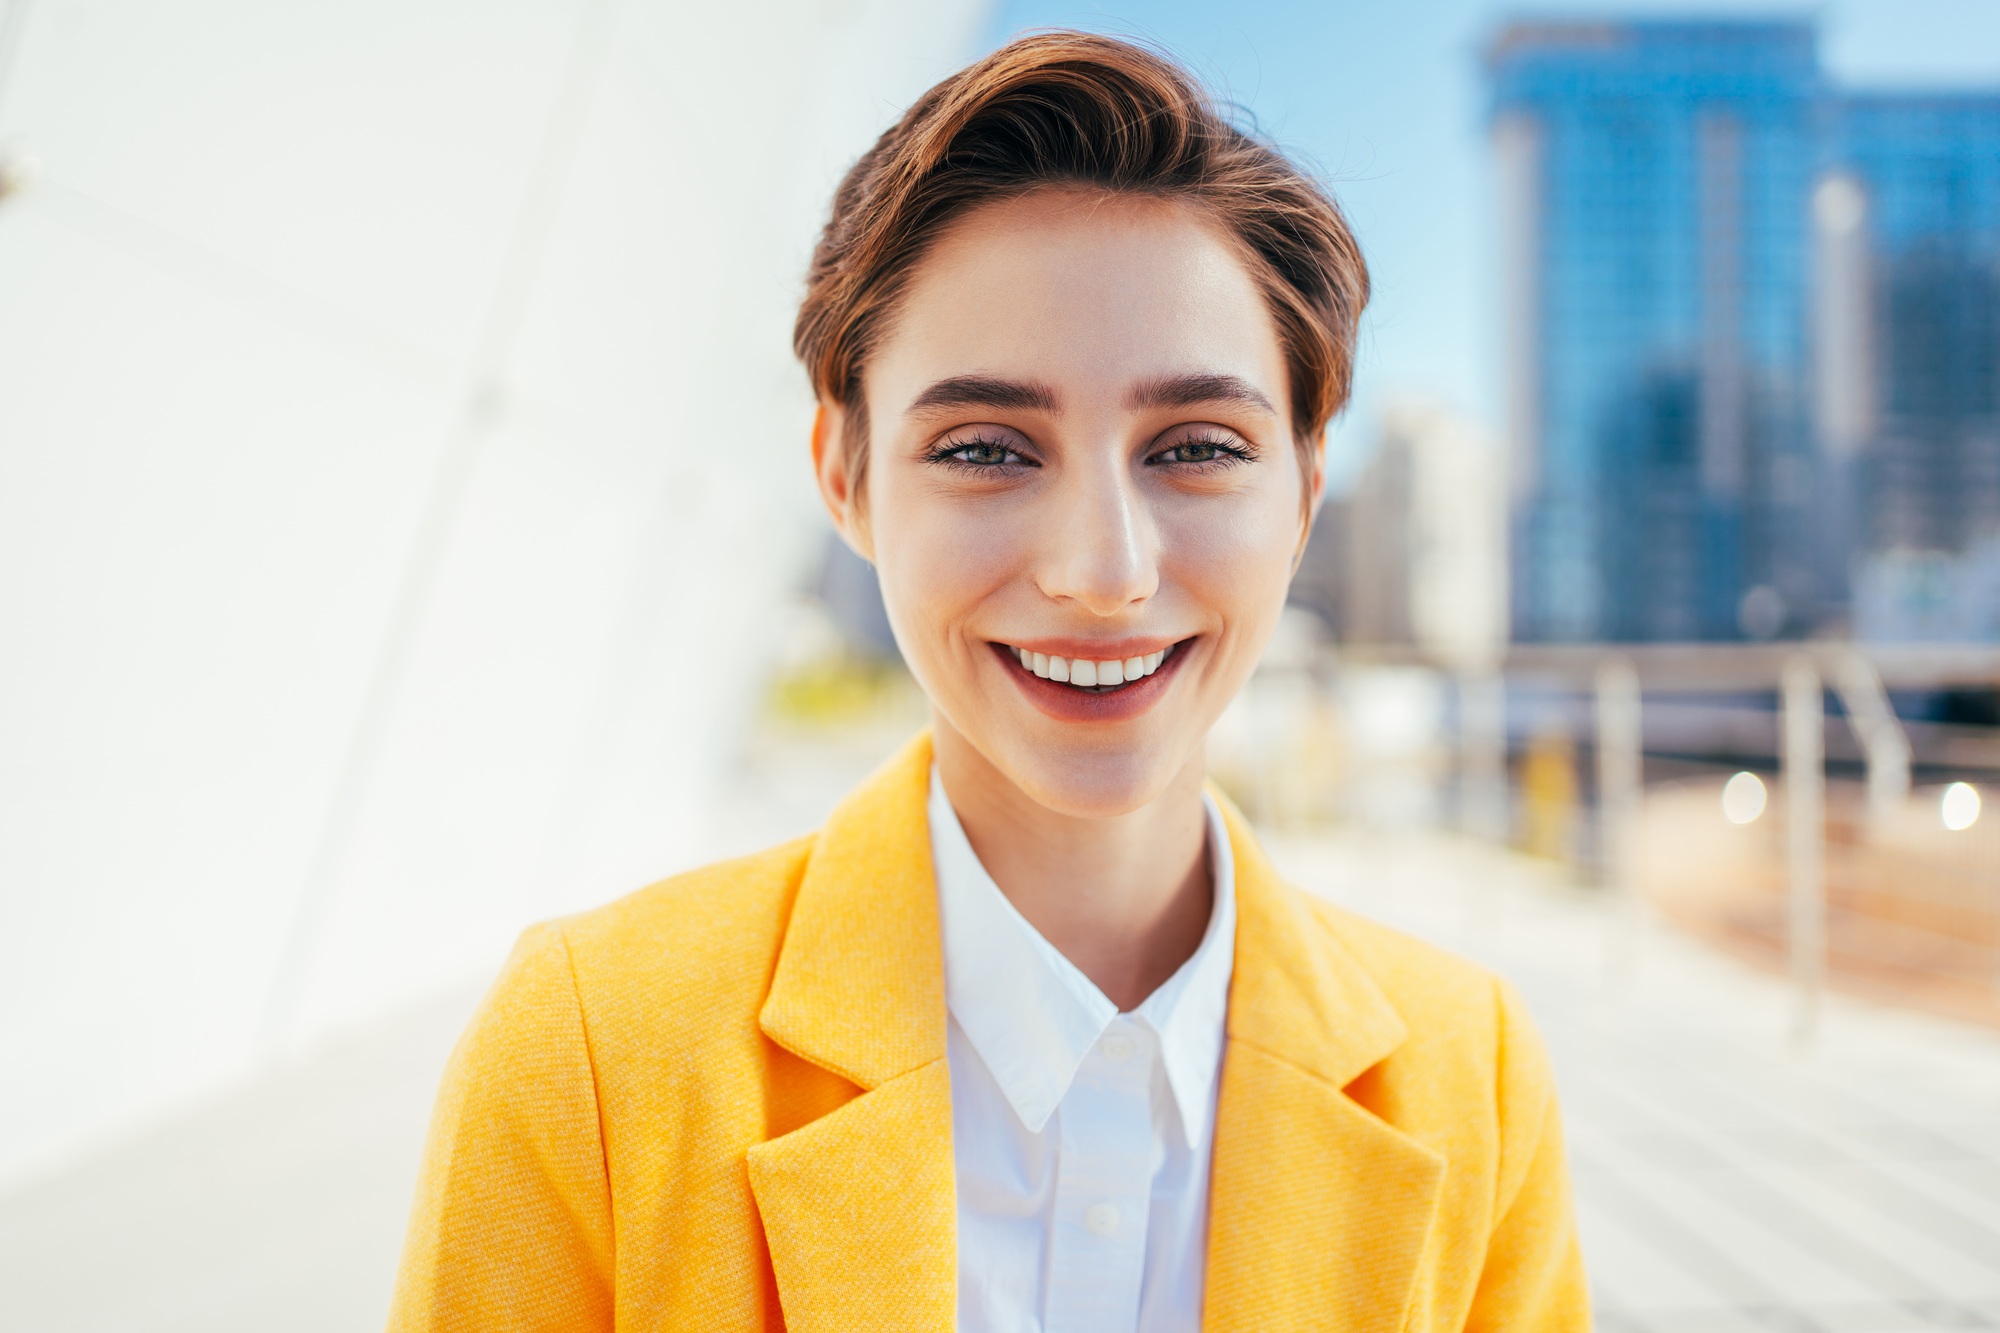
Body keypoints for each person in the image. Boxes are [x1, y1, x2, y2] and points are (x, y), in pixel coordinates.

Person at [387, 31, 1588, 1333]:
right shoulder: (593, 1055)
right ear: (843, 474)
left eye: (1194, 445)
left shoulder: (1475, 1076)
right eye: (986, 448)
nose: (1102, 571)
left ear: (1304, 486)